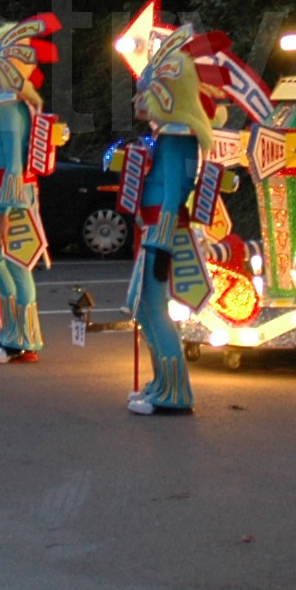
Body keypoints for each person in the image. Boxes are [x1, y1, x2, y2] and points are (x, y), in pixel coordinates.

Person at [120, 24, 229, 416]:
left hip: (164, 235)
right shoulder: (170, 137)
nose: (138, 98)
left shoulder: (179, 139)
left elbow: (172, 197)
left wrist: (160, 244)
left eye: (145, 90)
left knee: (153, 311)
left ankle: (173, 393)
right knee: (143, 310)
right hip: (154, 232)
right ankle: (160, 384)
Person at [0, 14, 65, 364]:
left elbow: (12, 165)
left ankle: (20, 341)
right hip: (3, 195)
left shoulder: (10, 111)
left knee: (15, 264)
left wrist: (4, 214)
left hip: (15, 199)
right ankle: (12, 337)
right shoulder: (4, 107)